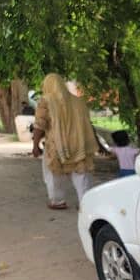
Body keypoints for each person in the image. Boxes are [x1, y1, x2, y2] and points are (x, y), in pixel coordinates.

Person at [32, 73, 97, 210]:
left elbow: (39, 125)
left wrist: (35, 145)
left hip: (57, 145)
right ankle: (85, 203)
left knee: (54, 173)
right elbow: (87, 123)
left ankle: (57, 201)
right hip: (79, 143)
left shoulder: (46, 100)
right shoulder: (78, 101)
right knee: (81, 173)